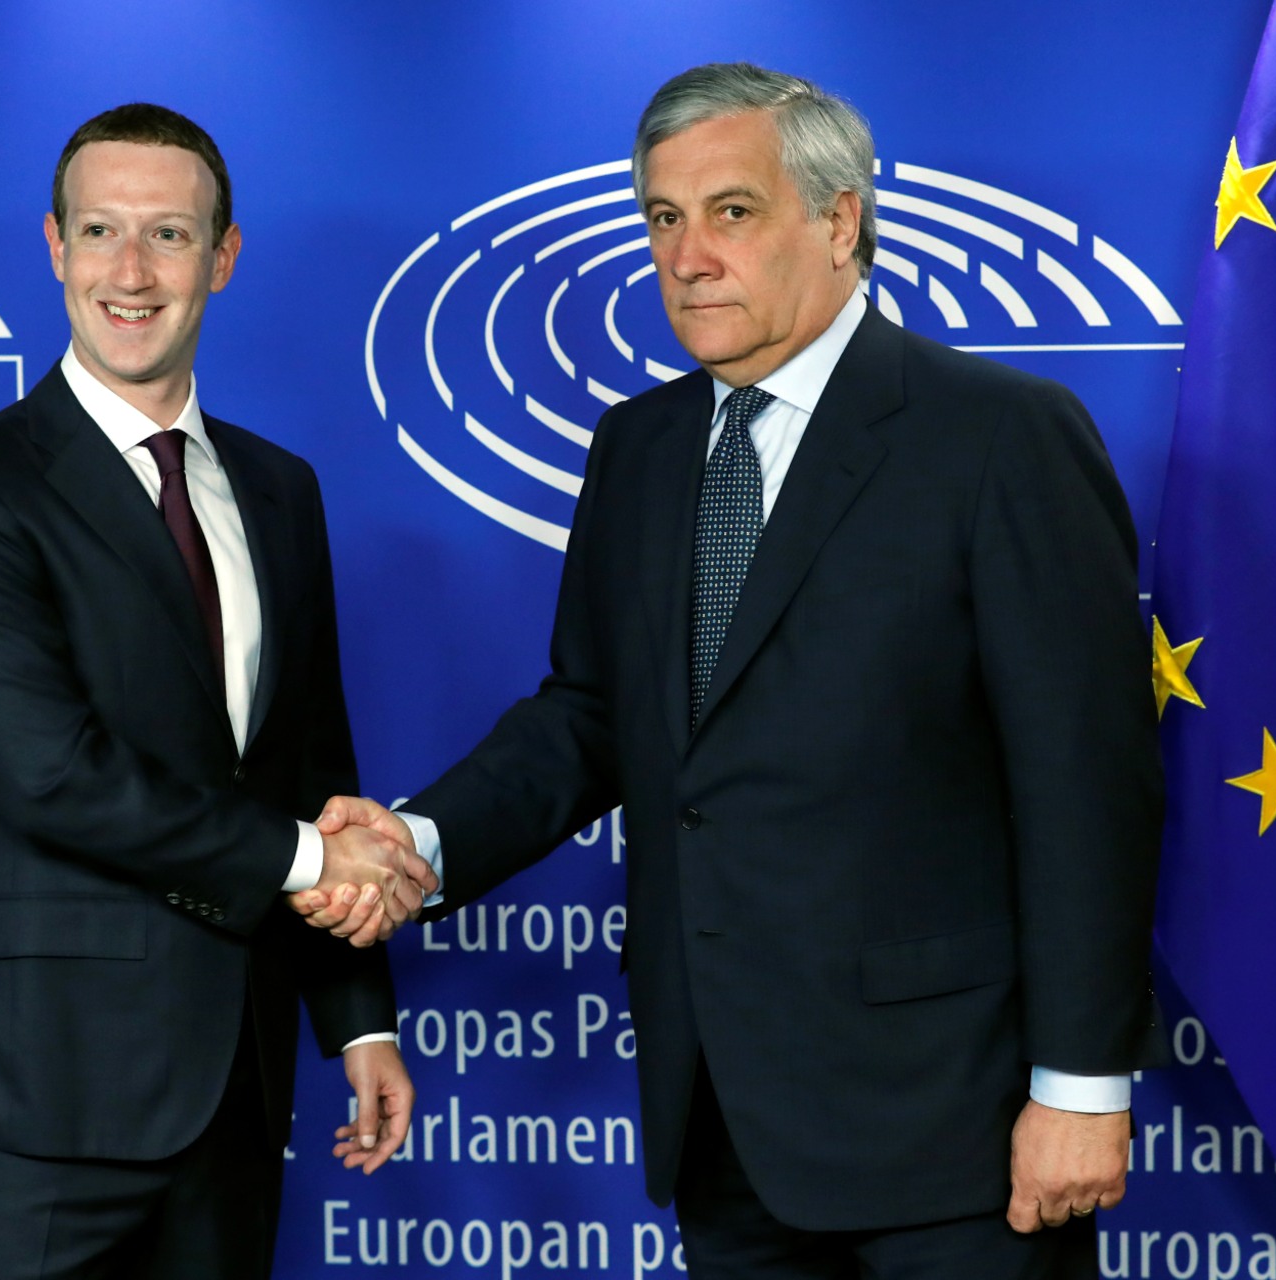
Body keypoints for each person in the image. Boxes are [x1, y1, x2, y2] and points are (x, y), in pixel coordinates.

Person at [301, 64, 1164, 1279]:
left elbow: (1087, 782)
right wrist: (420, 842)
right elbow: (593, 715)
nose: (688, 254)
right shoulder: (641, 447)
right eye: (663, 217)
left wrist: (1082, 1083)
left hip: (954, 1133)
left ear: (839, 220)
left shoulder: (998, 435)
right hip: (724, 1121)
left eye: (733, 211)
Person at [0, 103, 436, 1279]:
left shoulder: (282, 491)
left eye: (169, 236)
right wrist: (309, 860)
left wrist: (359, 1017)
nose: (130, 273)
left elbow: (312, 771)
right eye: (100, 232)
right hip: (35, 1105)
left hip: (232, 1086)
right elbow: (48, 773)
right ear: (55, 246)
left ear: (223, 257)